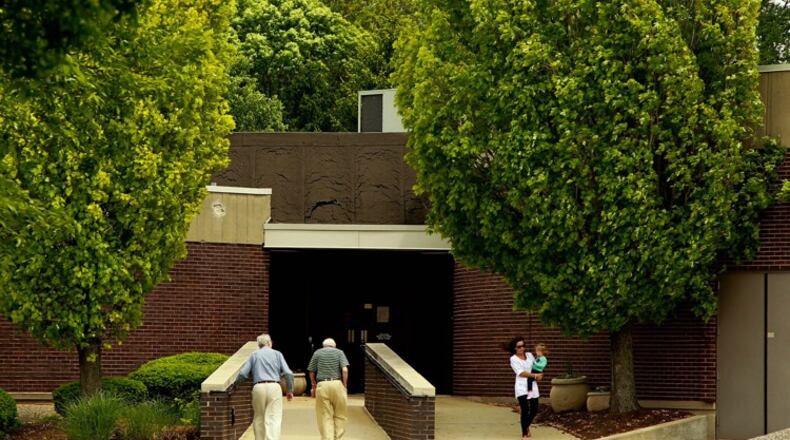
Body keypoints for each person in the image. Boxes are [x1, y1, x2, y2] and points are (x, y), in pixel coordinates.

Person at [235, 334, 294, 440]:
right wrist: (289, 390)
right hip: (274, 386)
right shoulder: (277, 354)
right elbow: (288, 373)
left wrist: (236, 385)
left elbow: (243, 374)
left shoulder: (254, 355)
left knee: (259, 417)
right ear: (269, 343)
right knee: (274, 417)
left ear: (259, 344)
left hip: (258, 387)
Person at [307, 337, 350, 440]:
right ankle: (337, 437)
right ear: (334, 345)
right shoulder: (339, 352)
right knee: (340, 414)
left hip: (323, 385)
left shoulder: (317, 353)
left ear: (323, 345)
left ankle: (327, 438)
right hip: (337, 384)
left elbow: (311, 370)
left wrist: (313, 384)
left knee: (324, 416)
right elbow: (344, 370)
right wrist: (345, 386)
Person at [509, 336, 543, 439]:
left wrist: (539, 374)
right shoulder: (513, 359)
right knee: (525, 408)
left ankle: (526, 426)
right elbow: (521, 373)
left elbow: (535, 367)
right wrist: (534, 376)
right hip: (521, 387)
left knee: (534, 409)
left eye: (523, 346)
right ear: (515, 348)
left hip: (531, 387)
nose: (522, 348)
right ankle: (524, 434)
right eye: (519, 347)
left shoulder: (529, 355)